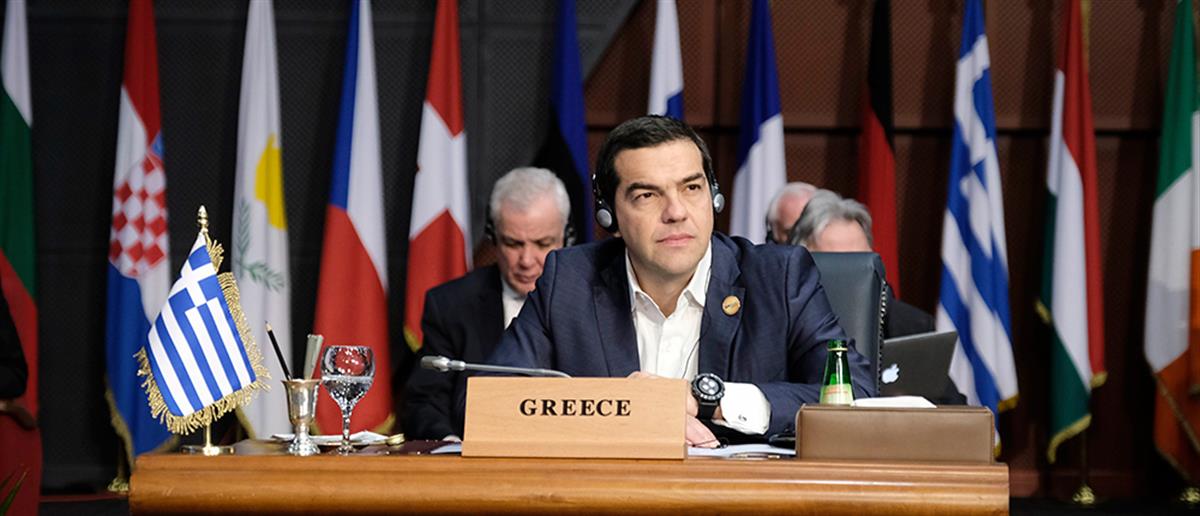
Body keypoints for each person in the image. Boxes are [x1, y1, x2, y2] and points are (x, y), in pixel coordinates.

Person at [485, 116, 874, 447]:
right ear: (610, 216)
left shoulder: (778, 278)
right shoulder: (568, 280)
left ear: (714, 198)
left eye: (691, 188)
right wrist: (629, 412)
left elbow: (854, 395)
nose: (676, 212)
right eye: (647, 195)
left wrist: (706, 400)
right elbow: (490, 403)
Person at [404, 167, 572, 441]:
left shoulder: (596, 299)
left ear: (567, 237)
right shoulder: (452, 304)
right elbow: (425, 402)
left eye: (542, 243)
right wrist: (450, 444)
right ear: (493, 238)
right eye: (513, 243)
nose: (526, 260)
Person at [789, 189, 966, 404]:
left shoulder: (909, 325)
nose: (854, 274)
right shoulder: (783, 325)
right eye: (840, 263)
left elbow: (952, 406)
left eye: (861, 260)